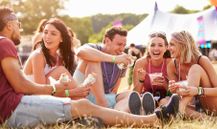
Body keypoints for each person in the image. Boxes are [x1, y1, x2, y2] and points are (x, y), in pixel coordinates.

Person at [0, 6, 180, 128]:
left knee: (120, 97)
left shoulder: (54, 57)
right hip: (15, 108)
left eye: (52, 33)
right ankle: (153, 119)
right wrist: (66, 91)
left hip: (16, 108)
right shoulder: (8, 44)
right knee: (84, 104)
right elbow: (21, 87)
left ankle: (106, 116)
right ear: (9, 25)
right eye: (18, 24)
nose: (20, 28)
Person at [167, 30, 217, 119]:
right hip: (198, 105)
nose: (168, 48)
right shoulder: (172, 66)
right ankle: (212, 119)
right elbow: (178, 93)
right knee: (165, 101)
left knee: (195, 68)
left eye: (172, 44)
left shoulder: (202, 60)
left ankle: (181, 108)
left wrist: (197, 91)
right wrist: (174, 89)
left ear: (183, 45)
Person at [23, 18, 90, 99]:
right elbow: (41, 93)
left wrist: (73, 91)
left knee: (66, 78)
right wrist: (74, 92)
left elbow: (58, 90)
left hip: (47, 95)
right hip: (31, 97)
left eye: (53, 34)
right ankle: (83, 103)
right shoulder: (38, 55)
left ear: (61, 39)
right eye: (45, 32)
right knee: (61, 71)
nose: (47, 36)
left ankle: (83, 103)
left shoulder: (58, 58)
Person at [75, 26, 133, 108]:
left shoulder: (121, 60)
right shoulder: (94, 48)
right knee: (93, 60)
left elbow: (114, 91)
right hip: (82, 94)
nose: (122, 49)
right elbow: (80, 52)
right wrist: (114, 59)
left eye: (124, 45)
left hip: (104, 99)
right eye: (119, 44)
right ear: (107, 41)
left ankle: (116, 115)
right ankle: (103, 108)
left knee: (130, 94)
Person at [128, 32, 171, 115]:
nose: (156, 48)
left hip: (165, 98)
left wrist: (165, 84)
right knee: (141, 100)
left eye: (160, 45)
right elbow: (136, 93)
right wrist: (141, 80)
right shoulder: (140, 63)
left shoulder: (170, 63)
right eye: (152, 45)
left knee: (165, 101)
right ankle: (149, 111)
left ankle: (153, 113)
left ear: (166, 48)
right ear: (148, 47)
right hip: (146, 98)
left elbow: (174, 93)